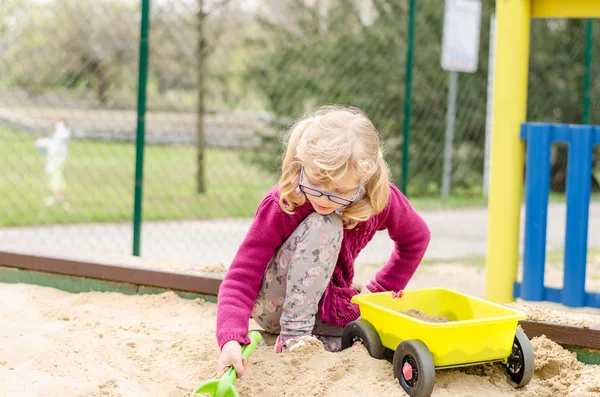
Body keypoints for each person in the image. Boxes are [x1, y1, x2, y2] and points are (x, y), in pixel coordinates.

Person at [215, 105, 431, 379]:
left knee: (369, 332)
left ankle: (315, 336)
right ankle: (293, 335)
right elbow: (242, 275)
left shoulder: (379, 198)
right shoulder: (287, 201)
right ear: (300, 164)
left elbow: (416, 238)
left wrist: (380, 290)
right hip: (273, 305)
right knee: (325, 222)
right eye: (315, 182)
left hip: (324, 305)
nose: (324, 198)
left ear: (365, 181)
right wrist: (231, 337)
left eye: (340, 192)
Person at [35, 119, 71, 208]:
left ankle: (59, 198)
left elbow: (55, 144)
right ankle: (56, 197)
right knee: (54, 179)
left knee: (57, 180)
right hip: (55, 159)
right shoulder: (59, 135)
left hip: (57, 160)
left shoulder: (62, 134)